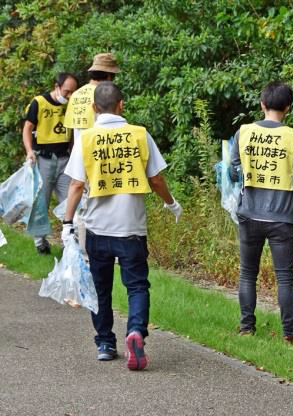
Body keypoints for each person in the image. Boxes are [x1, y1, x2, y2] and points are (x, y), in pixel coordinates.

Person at [62, 82, 183, 370]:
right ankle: (136, 332)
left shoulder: (87, 139)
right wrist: (171, 204)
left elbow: (77, 184)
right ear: (122, 105)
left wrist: (68, 223)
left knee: (100, 288)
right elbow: (156, 180)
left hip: (97, 229)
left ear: (93, 109)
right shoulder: (140, 134)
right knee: (137, 286)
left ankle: (105, 342)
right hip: (131, 228)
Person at [230, 82, 293, 343]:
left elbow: (234, 172)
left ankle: (247, 328)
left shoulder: (244, 132)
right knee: (285, 276)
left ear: (262, 104)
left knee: (248, 272)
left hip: (249, 214)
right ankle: (290, 334)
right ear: (288, 107)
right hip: (281, 218)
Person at [63, 53, 121, 256]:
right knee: (103, 206)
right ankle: (96, 252)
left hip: (79, 157)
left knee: (83, 204)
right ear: (109, 75)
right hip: (100, 157)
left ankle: (82, 249)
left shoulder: (76, 95)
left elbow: (71, 133)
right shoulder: (105, 95)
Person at [23, 72, 79, 254]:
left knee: (70, 200)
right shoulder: (39, 102)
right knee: (41, 201)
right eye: (66, 91)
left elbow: (72, 132)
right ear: (57, 86)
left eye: (73, 92)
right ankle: (40, 242)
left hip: (65, 159)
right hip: (44, 159)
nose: (69, 96)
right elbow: (27, 129)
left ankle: (69, 239)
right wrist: (30, 151)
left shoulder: (72, 106)